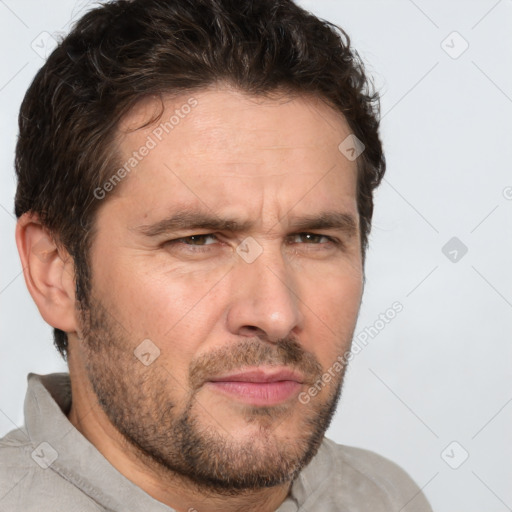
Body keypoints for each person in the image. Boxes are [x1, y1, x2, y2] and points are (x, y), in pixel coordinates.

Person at [0, 0, 433, 510]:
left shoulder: (385, 497)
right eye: (198, 240)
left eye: (313, 239)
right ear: (56, 272)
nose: (275, 314)